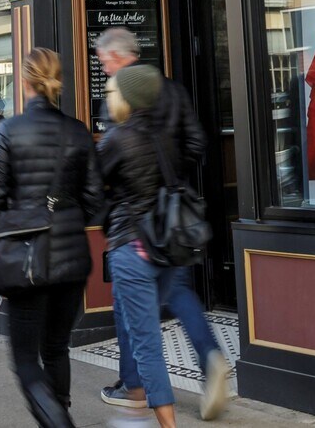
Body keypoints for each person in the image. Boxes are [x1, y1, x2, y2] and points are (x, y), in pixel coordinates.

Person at [92, 29, 226, 417]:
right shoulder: (174, 90)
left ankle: (134, 385)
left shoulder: (121, 96)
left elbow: (104, 172)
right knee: (179, 290)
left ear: (117, 57)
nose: (103, 69)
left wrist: (141, 181)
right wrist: (169, 181)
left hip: (134, 225)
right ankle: (211, 355)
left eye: (102, 61)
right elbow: (197, 144)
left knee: (130, 306)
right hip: (172, 220)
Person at [0, 49, 103, 428]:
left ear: (26, 81)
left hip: (27, 261)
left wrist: (13, 230)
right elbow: (95, 198)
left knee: (24, 361)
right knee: (55, 348)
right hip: (70, 258)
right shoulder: (78, 130)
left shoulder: (8, 130)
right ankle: (59, 413)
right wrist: (65, 221)